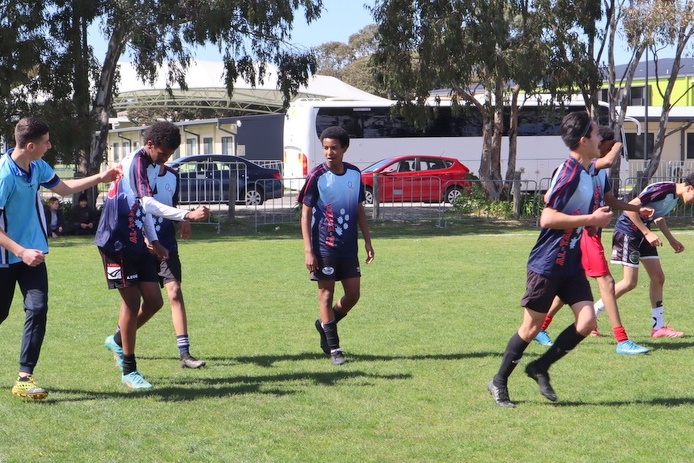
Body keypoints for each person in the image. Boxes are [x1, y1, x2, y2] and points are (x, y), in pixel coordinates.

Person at [488, 111, 613, 408]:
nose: (601, 138)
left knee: (586, 322)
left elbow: (550, 198)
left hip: (570, 262)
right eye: (596, 134)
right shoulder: (570, 171)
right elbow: (547, 217)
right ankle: (499, 380)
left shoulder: (583, 171)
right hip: (546, 263)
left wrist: (588, 221)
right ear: (583, 141)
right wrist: (589, 218)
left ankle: (540, 367)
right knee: (530, 328)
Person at [0, 117, 119, 400]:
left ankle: (25, 378)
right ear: (31, 145)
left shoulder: (37, 166)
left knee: (37, 309)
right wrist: (20, 251)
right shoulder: (4, 175)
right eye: (46, 142)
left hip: (34, 256)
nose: (50, 146)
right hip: (6, 259)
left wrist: (100, 178)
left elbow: (63, 188)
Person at [96, 121, 210, 390]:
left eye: (169, 155)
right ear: (150, 145)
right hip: (115, 240)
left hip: (137, 239)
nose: (165, 159)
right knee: (132, 302)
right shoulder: (136, 162)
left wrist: (155, 241)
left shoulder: (148, 165)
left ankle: (116, 339)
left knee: (155, 301)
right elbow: (146, 203)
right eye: (163, 153)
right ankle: (129, 370)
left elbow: (142, 209)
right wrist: (186, 214)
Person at [534, 126, 653, 355]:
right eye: (603, 144)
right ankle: (622, 340)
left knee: (568, 287)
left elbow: (611, 200)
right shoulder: (587, 166)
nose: (603, 148)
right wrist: (621, 144)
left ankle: (541, 327)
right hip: (583, 234)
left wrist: (637, 208)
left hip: (587, 233)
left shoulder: (599, 172)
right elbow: (550, 199)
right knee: (607, 283)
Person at [298, 126, 375, 366]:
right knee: (326, 294)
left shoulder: (354, 174)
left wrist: (368, 241)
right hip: (324, 247)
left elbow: (359, 208)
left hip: (348, 247)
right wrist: (309, 250)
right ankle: (335, 349)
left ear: (344, 149)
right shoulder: (317, 175)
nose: (329, 152)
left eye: (334, 148)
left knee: (353, 296)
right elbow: (305, 213)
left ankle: (324, 325)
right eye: (325, 148)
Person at [596, 172, 694, 339]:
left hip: (642, 234)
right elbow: (631, 209)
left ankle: (658, 327)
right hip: (629, 232)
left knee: (658, 278)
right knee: (629, 282)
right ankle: (590, 314)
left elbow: (658, 217)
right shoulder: (663, 189)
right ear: (690, 188)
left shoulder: (675, 197)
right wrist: (647, 233)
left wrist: (671, 240)